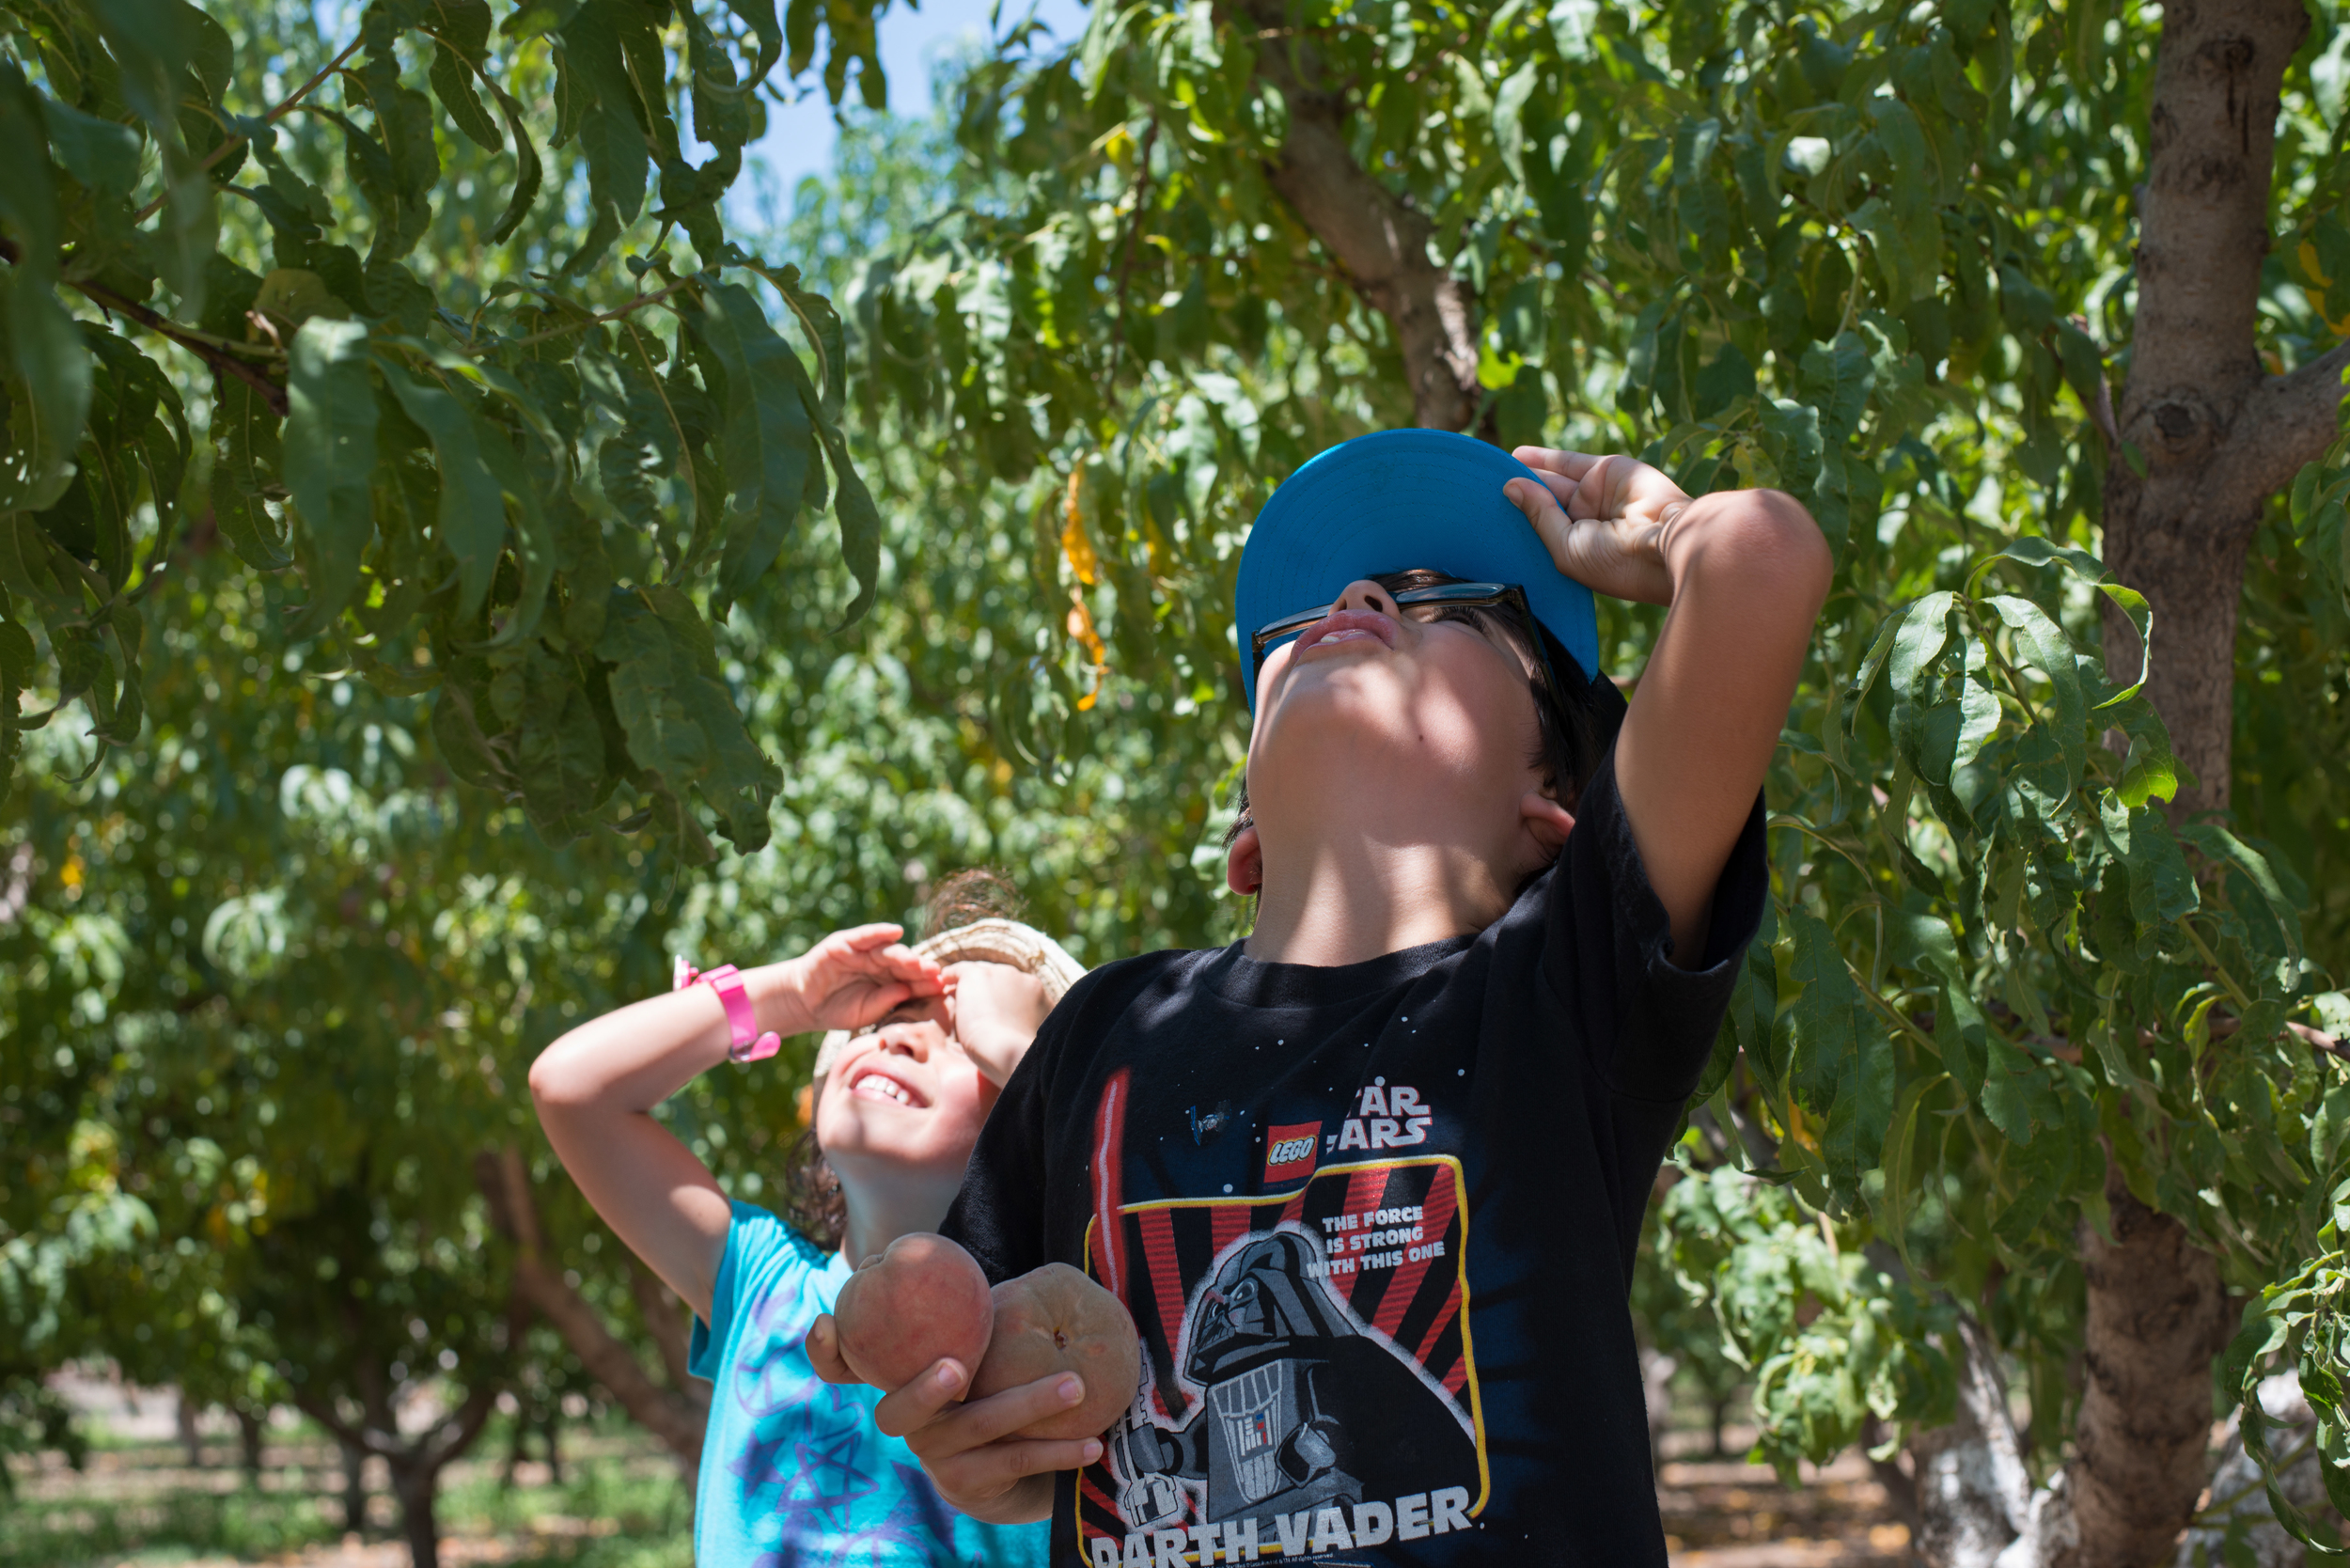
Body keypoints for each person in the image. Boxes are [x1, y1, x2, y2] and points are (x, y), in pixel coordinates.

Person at [825, 433, 1831, 1564]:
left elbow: (1759, 556)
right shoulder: (1103, 1031)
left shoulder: (1560, 988)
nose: (1351, 598)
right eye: (1294, 627)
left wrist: (1650, 530)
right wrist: (981, 1434)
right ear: (1244, 831)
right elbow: (1022, 1420)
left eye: (1448, 605)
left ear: (1552, 803)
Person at [529, 870, 1085, 1566]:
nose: (900, 1042)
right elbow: (572, 1091)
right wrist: (786, 995)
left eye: (964, 1042)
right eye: (884, 1023)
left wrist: (1025, 1054)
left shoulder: (1063, 1357)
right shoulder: (760, 1283)